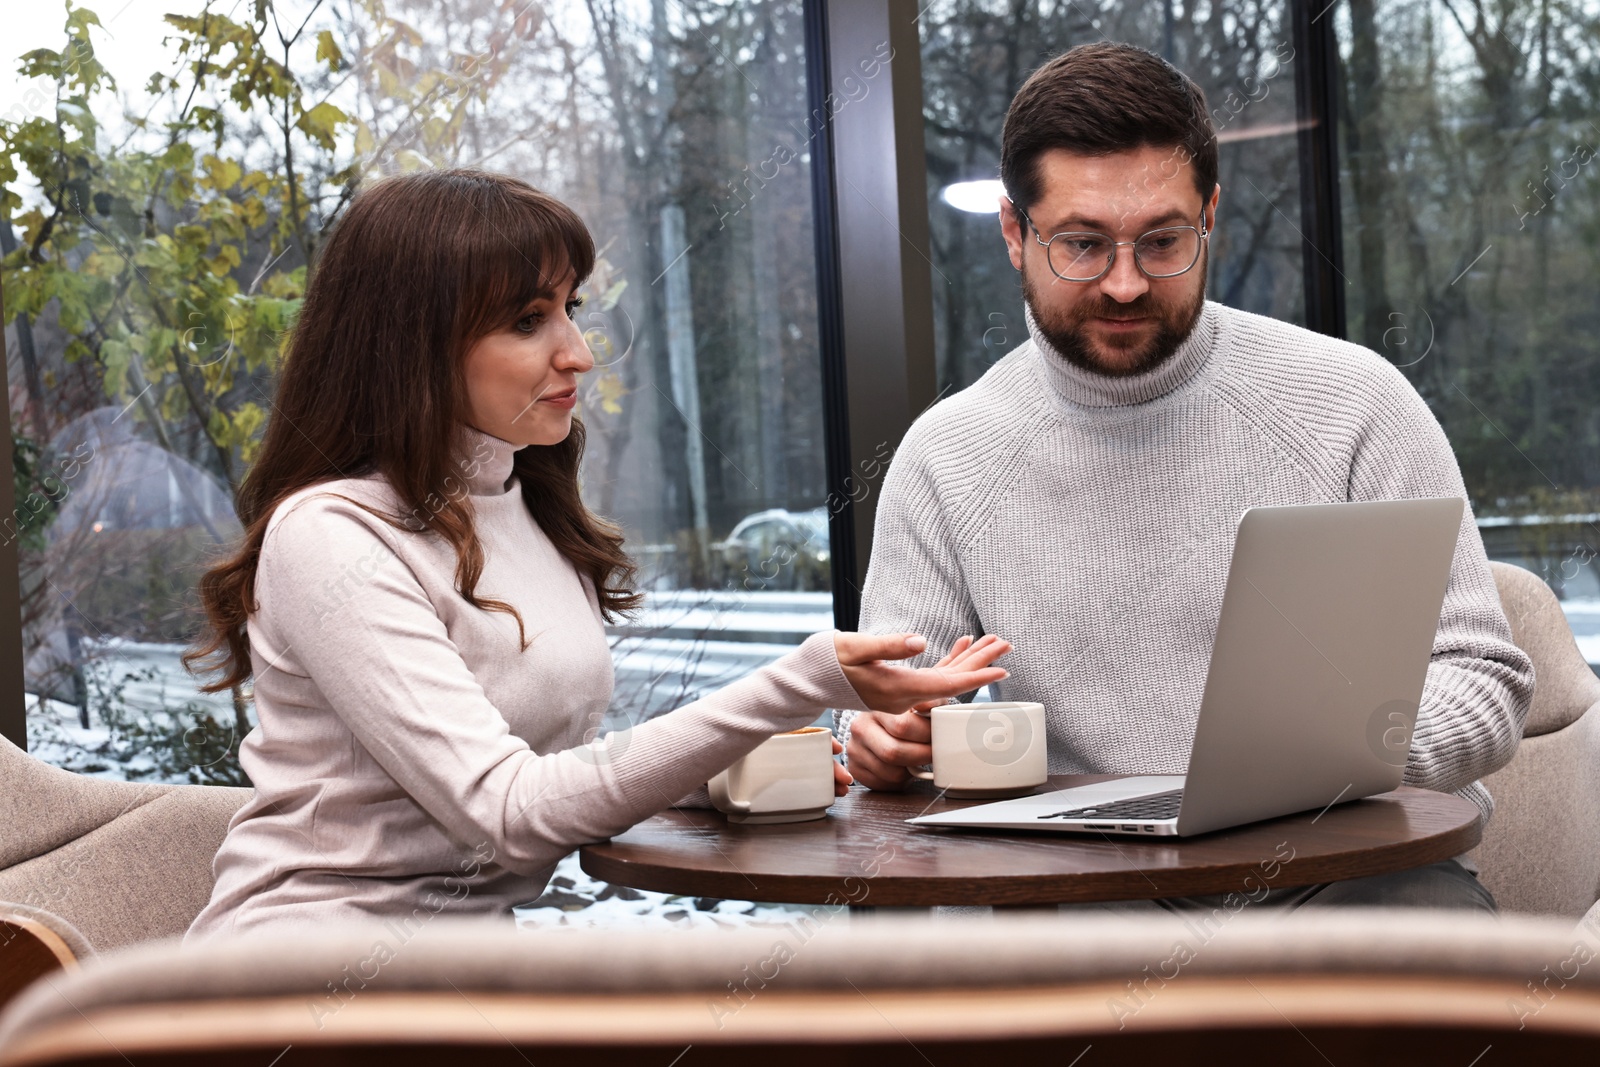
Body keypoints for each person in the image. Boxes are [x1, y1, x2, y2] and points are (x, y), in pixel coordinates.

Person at [182, 169, 1010, 938]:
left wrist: (749, 761)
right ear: (414, 345)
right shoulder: (332, 537)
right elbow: (509, 809)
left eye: (571, 307)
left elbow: (557, 767)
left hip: (464, 968)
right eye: (527, 320)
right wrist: (801, 680)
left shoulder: (524, 507)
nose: (577, 350)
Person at [838, 43, 1533, 912]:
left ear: (1210, 217)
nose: (1125, 285)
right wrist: (881, 744)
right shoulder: (947, 455)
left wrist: (1318, 763)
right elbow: (884, 716)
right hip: (1087, 900)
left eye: (1161, 240)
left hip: (1347, 874)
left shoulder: (1354, 400)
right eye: (1083, 245)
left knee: (1435, 948)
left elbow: (1487, 680)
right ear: (1015, 233)